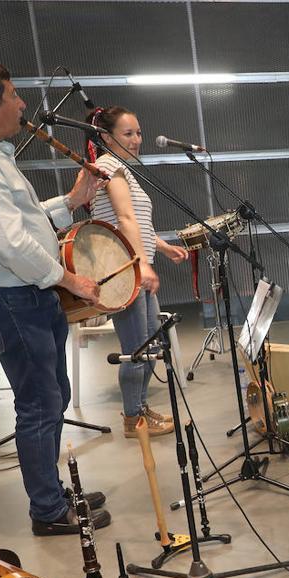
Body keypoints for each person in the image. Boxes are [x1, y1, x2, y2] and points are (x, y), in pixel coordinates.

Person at [0, 58, 111, 536]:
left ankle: (50, 491)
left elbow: (22, 221)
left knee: (53, 395)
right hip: (8, 299)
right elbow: (11, 246)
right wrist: (72, 282)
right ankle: (48, 511)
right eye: (13, 95)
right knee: (38, 402)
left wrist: (70, 201)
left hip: (24, 293)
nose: (22, 103)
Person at [87, 106, 189, 438]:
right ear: (105, 136)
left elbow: (138, 223)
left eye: (138, 133)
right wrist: (142, 264)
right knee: (136, 348)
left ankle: (141, 409)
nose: (137, 140)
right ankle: (133, 418)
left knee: (149, 345)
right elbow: (124, 221)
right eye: (128, 133)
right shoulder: (108, 166)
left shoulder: (124, 170)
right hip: (123, 271)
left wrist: (161, 247)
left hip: (134, 266)